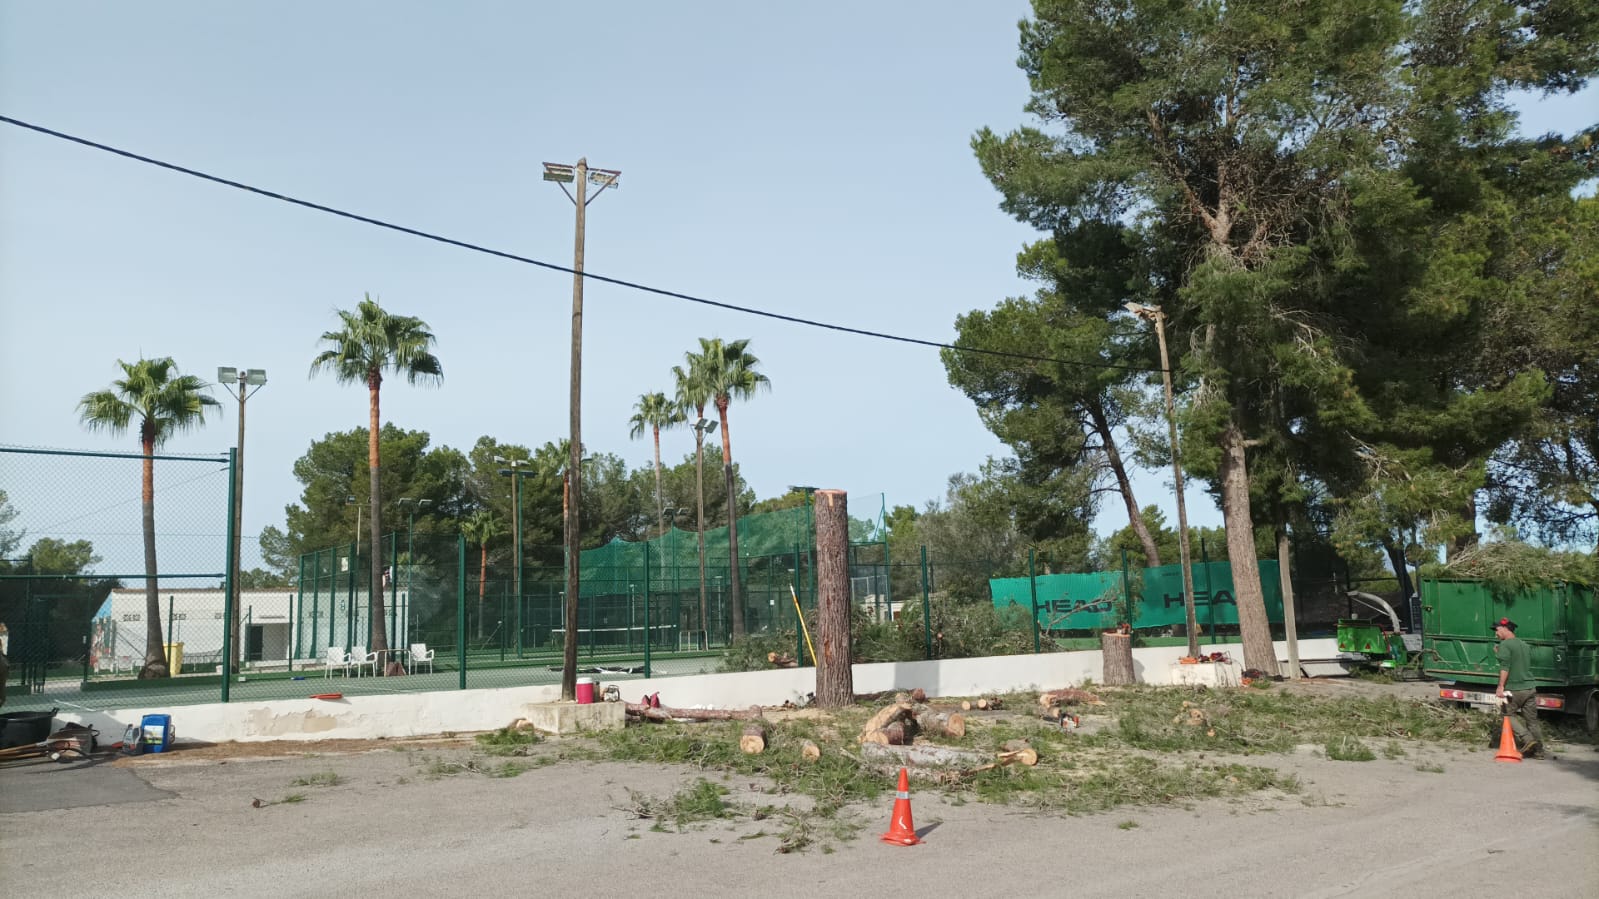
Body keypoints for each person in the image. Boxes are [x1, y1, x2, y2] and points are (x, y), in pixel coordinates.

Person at [1493, 617, 1544, 758]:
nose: (1496, 634)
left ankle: (1527, 739)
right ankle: (1539, 751)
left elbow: (1505, 667)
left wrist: (1500, 686)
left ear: (1505, 629)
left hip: (1515, 688)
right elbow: (1517, 662)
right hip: (1530, 687)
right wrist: (1500, 655)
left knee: (1507, 715)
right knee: (1532, 721)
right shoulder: (1524, 645)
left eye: (1497, 630)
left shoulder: (1505, 645)